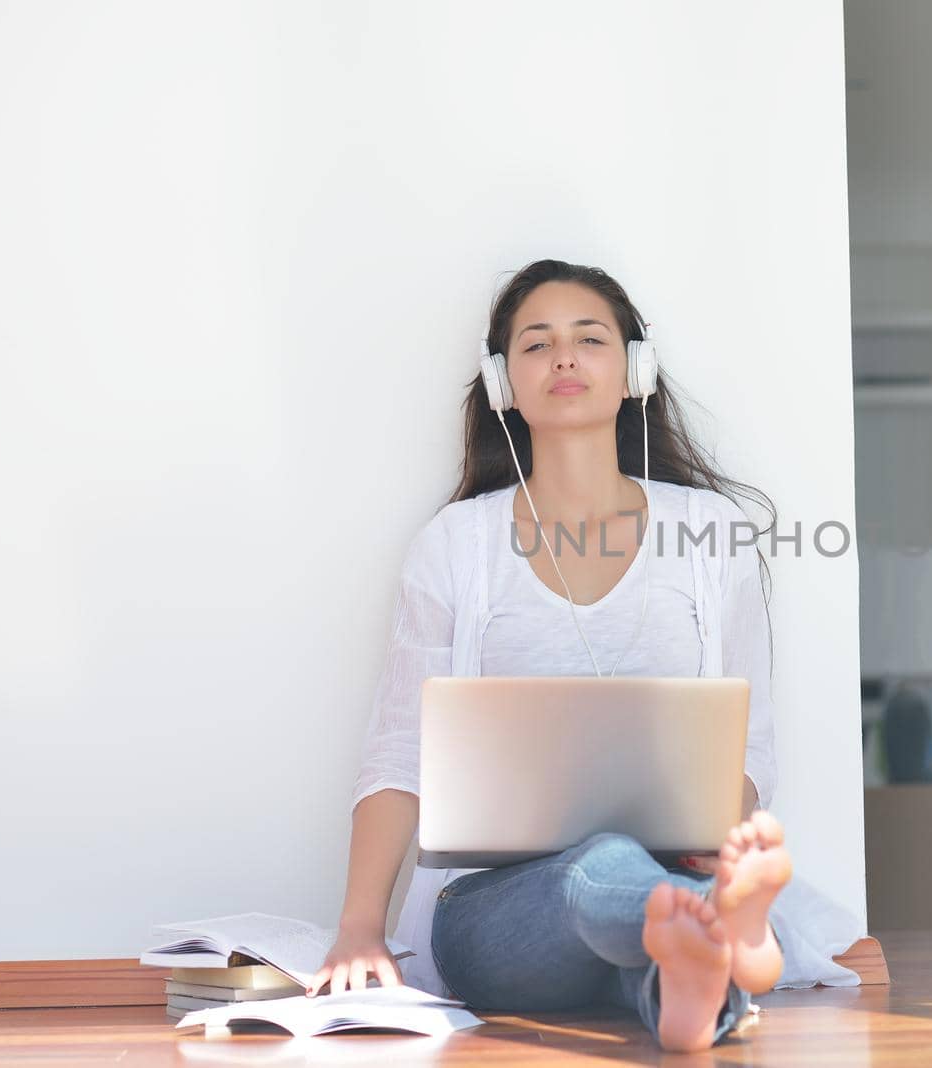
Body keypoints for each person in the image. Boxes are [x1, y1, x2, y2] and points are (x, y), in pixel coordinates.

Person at [310, 258, 792, 1051]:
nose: (564, 358)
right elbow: (400, 753)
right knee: (600, 870)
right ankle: (719, 934)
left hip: (676, 878)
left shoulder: (714, 536)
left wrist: (722, 832)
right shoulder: (455, 547)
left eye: (589, 339)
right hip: (497, 916)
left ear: (636, 369)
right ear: (503, 384)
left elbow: (751, 747)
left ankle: (692, 989)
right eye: (537, 344)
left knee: (654, 939)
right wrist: (361, 926)